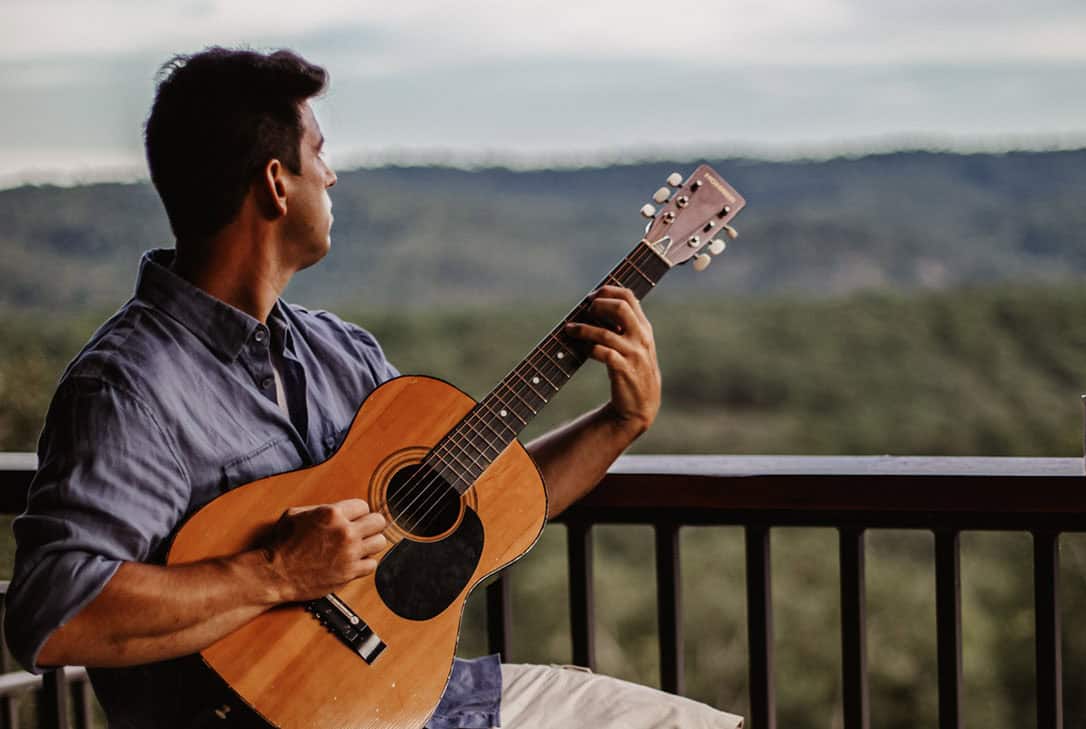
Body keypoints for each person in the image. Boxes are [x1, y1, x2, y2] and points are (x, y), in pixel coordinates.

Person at [3, 47, 742, 729]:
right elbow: (56, 608)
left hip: (423, 701)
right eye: (317, 153)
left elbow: (487, 507)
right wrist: (272, 571)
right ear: (274, 181)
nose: (331, 175)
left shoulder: (342, 355)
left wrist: (620, 421)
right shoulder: (129, 386)